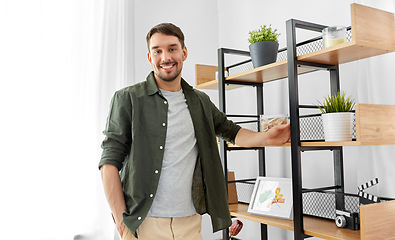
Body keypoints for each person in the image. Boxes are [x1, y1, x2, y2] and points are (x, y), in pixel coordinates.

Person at [99, 22, 290, 240]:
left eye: (172, 48)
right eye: (157, 51)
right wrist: (121, 220)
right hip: (144, 223)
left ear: (184, 52)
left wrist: (266, 137)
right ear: (149, 57)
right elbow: (109, 162)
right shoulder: (128, 99)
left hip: (189, 223)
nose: (165, 58)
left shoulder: (200, 101)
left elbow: (232, 132)